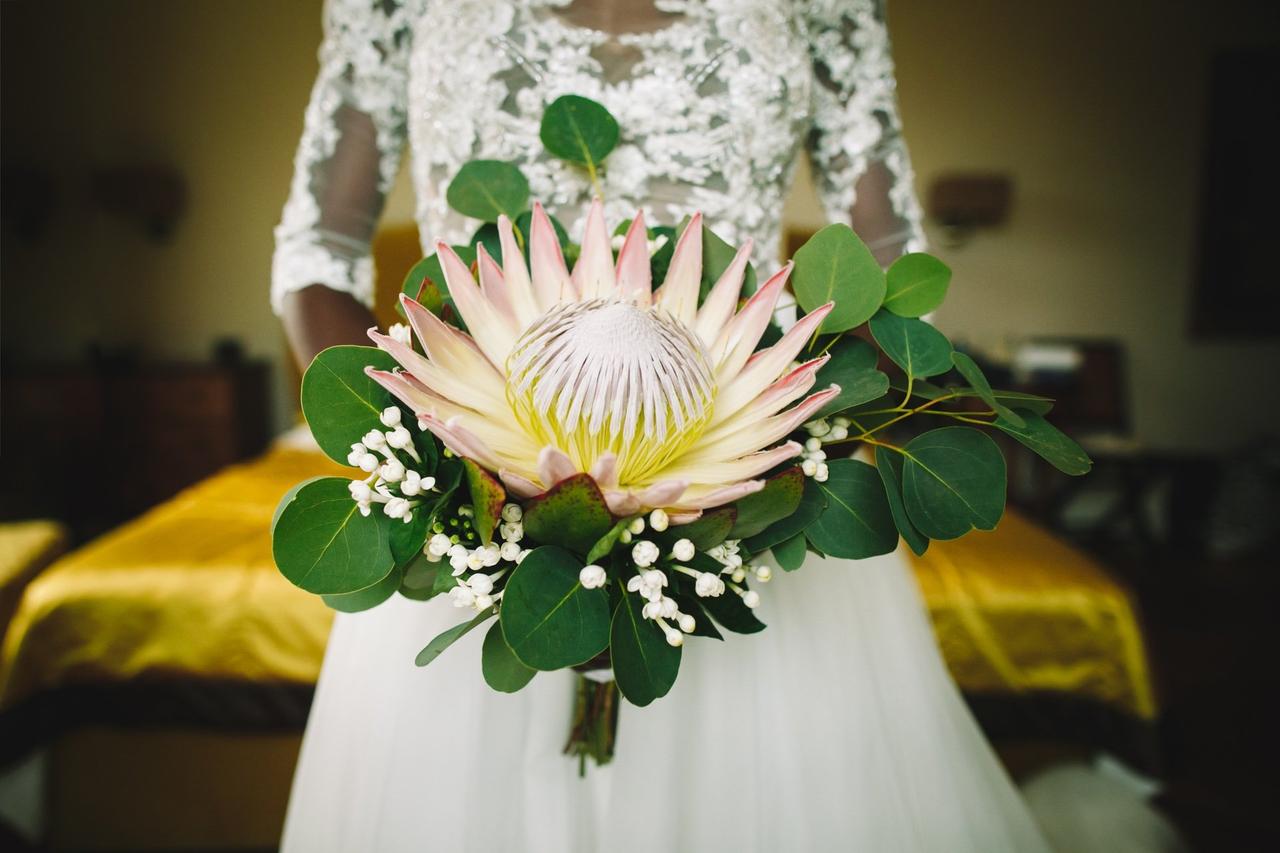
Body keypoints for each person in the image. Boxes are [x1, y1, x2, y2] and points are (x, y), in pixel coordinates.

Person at [273, 1, 1049, 850]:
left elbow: (889, 261)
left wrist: (779, 458)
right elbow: (318, 250)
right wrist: (432, 466)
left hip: (748, 475)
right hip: (461, 481)